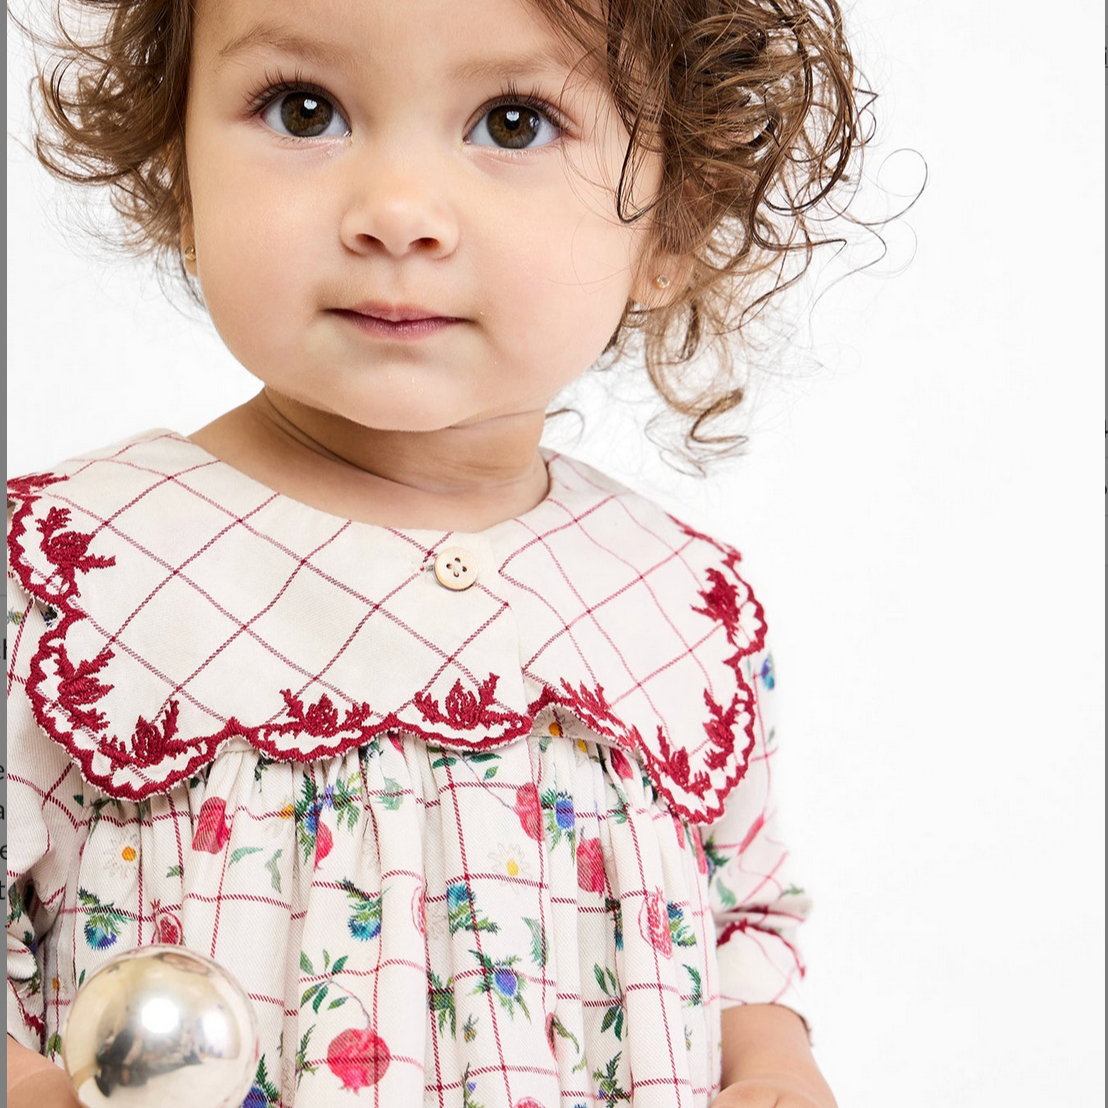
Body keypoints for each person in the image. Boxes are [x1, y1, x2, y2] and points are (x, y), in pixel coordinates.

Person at [6, 0, 866, 1104]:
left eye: (512, 123)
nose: (397, 213)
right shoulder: (69, 573)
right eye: (302, 109)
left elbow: (745, 915)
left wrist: (774, 1060)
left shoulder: (678, 602)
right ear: (176, 166)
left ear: (677, 218)